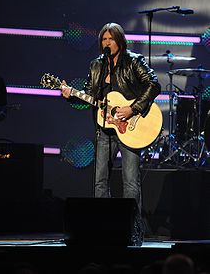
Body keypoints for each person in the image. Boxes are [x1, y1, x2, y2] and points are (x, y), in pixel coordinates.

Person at [61, 22, 161, 246]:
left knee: (130, 181)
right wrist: (70, 94)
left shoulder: (133, 61)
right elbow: (89, 95)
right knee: (100, 181)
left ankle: (132, 231)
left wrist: (133, 108)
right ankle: (102, 229)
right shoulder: (96, 65)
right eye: (104, 40)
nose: (107, 43)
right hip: (104, 130)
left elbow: (154, 85)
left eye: (111, 39)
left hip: (131, 127)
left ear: (119, 40)